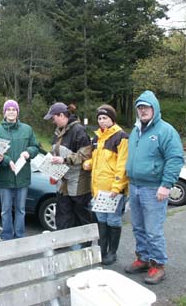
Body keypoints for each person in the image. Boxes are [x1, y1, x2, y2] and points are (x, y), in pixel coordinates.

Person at [124, 90, 184, 285]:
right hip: (135, 187)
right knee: (138, 227)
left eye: (146, 107)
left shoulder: (165, 131)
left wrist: (166, 185)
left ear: (154, 108)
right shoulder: (135, 130)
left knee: (153, 230)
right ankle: (143, 258)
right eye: (140, 107)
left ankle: (158, 265)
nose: (143, 110)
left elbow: (175, 159)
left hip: (154, 189)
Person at [83, 104, 128, 265]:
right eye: (100, 118)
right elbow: (97, 159)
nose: (102, 121)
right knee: (101, 220)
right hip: (98, 189)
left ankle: (112, 252)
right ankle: (102, 250)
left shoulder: (121, 137)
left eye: (105, 118)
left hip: (113, 190)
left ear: (112, 119)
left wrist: (117, 186)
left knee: (113, 221)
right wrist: (88, 163)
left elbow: (122, 164)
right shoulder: (97, 138)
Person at [0, 99, 39, 240]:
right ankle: (6, 236)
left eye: (14, 109)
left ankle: (20, 235)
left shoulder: (27, 129)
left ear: (18, 112)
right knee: (6, 210)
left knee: (21, 210)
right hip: (5, 177)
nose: (11, 112)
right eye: (8, 109)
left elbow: (35, 147)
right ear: (4, 113)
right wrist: (5, 160)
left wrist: (28, 152)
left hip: (22, 177)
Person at [43, 103, 94, 232]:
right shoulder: (58, 131)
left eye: (53, 118)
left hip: (78, 184)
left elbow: (85, 154)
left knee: (81, 215)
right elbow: (55, 150)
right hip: (62, 183)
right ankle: (62, 244)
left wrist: (65, 159)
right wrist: (49, 159)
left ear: (61, 115)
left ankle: (85, 244)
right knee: (63, 215)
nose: (53, 122)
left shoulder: (79, 130)